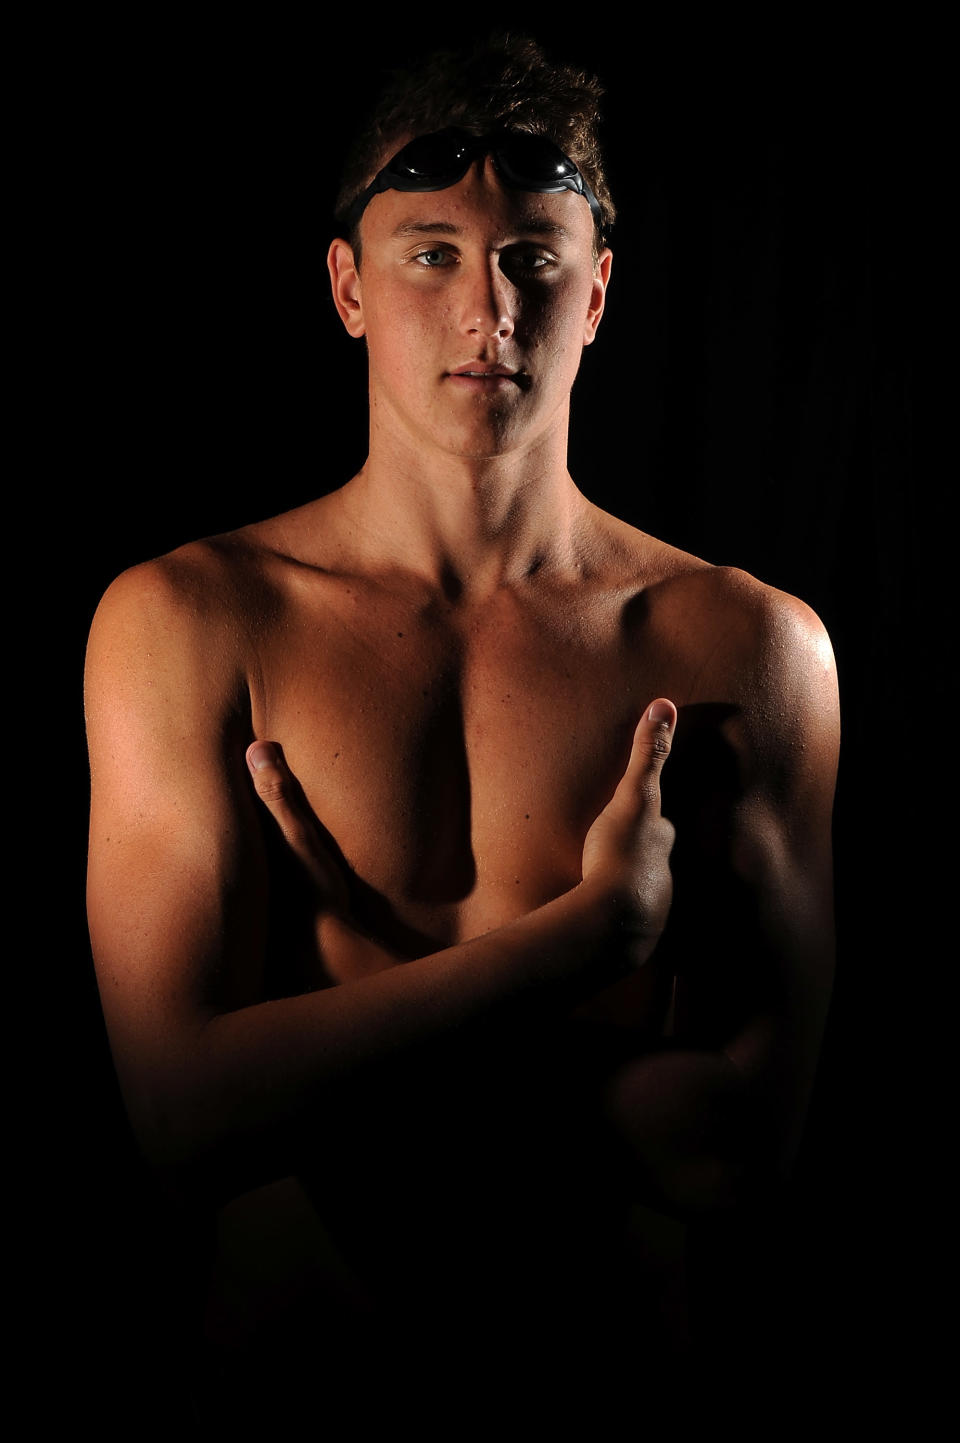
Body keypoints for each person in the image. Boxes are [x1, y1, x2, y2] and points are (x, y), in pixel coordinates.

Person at [85, 33, 839, 1423]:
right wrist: (579, 949)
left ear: (598, 291)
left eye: (535, 256)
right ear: (347, 287)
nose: (489, 304)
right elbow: (182, 1119)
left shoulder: (745, 648)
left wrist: (343, 1023)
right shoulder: (192, 623)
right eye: (430, 251)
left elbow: (739, 1154)